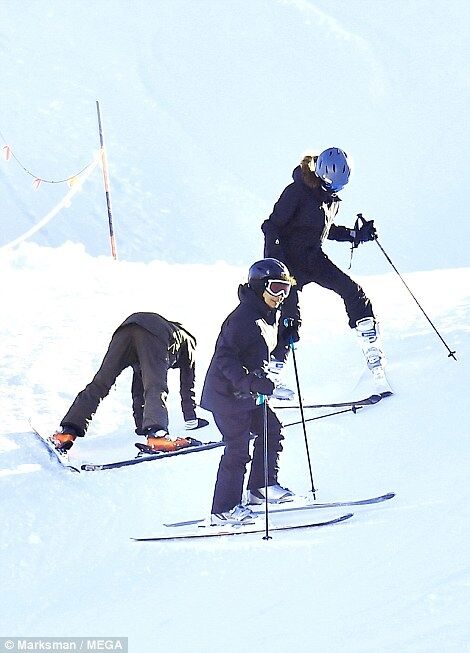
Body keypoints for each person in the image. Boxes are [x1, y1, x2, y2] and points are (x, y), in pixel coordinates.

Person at [261, 147, 387, 389]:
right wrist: (275, 264)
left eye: (339, 186)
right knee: (290, 316)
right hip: (288, 263)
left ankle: (371, 347)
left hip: (313, 259)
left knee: (352, 291)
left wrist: (355, 234)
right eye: (331, 185)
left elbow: (325, 231)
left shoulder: (329, 199)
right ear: (320, 176)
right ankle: (273, 372)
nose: (335, 190)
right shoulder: (296, 192)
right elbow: (271, 226)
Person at [200, 258, 296, 526]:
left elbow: (259, 356)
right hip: (227, 397)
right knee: (238, 448)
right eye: (277, 288)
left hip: (248, 395)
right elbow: (225, 360)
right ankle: (224, 509)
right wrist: (253, 384)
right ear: (260, 286)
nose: (281, 296)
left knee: (271, 429)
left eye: (286, 289)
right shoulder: (243, 319)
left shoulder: (263, 315)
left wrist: (286, 342)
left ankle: (261, 487)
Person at [50, 312, 208, 452]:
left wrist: (140, 426)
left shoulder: (166, 337)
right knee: (156, 386)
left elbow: (138, 388)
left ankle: (66, 432)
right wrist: (191, 419)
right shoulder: (188, 342)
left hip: (126, 329)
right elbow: (188, 384)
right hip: (153, 332)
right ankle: (157, 436)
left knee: (100, 383)